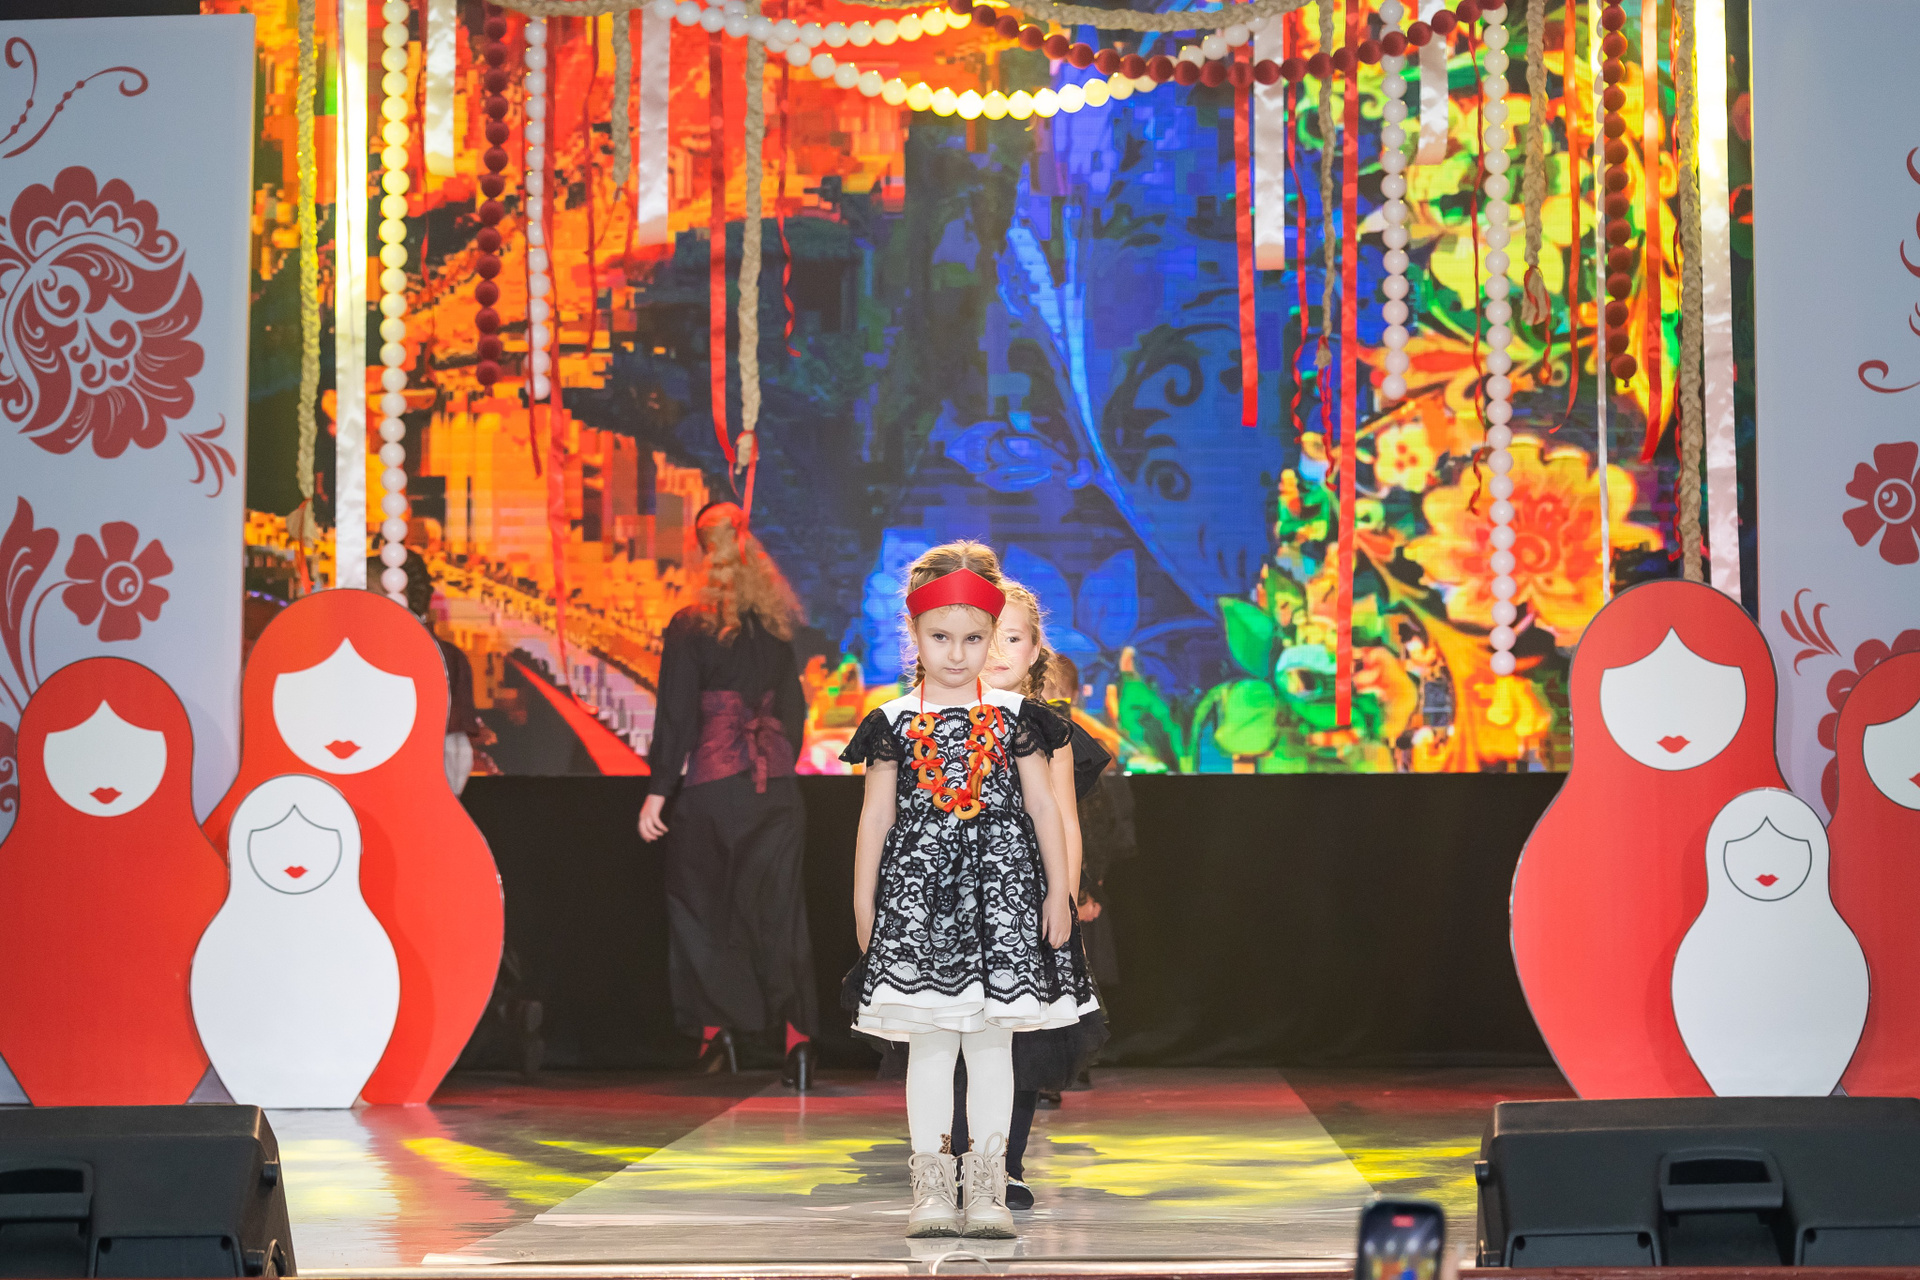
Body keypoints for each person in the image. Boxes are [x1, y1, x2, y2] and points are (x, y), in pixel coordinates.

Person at [840, 541, 1092, 1239]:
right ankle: (930, 1192)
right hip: (919, 905)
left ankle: (987, 1189)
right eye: (940, 637)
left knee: (990, 1046)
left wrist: (1058, 891)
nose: (957, 654)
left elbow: (1044, 808)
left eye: (974, 639)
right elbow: (875, 818)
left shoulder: (1019, 717)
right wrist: (864, 902)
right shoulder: (892, 722)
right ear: (914, 634)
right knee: (928, 1046)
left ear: (992, 636)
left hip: (1002, 901)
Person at [637, 503, 818, 1088]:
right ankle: (798, 1044)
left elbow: (676, 717)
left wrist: (658, 792)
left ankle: (716, 1037)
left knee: (702, 911)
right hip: (777, 794)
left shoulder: (691, 626)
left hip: (715, 793)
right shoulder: (776, 628)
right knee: (781, 916)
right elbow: (794, 716)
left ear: (701, 549)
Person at [951, 580, 1110, 1211]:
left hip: (1025, 907)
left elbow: (1066, 819)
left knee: (1022, 1042)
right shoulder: (933, 721)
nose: (996, 651)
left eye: (1012, 637)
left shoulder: (1050, 730)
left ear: (1036, 648)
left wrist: (1063, 898)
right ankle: (955, 1161)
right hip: (952, 906)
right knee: (955, 1040)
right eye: (985, 636)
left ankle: (1005, 1166)